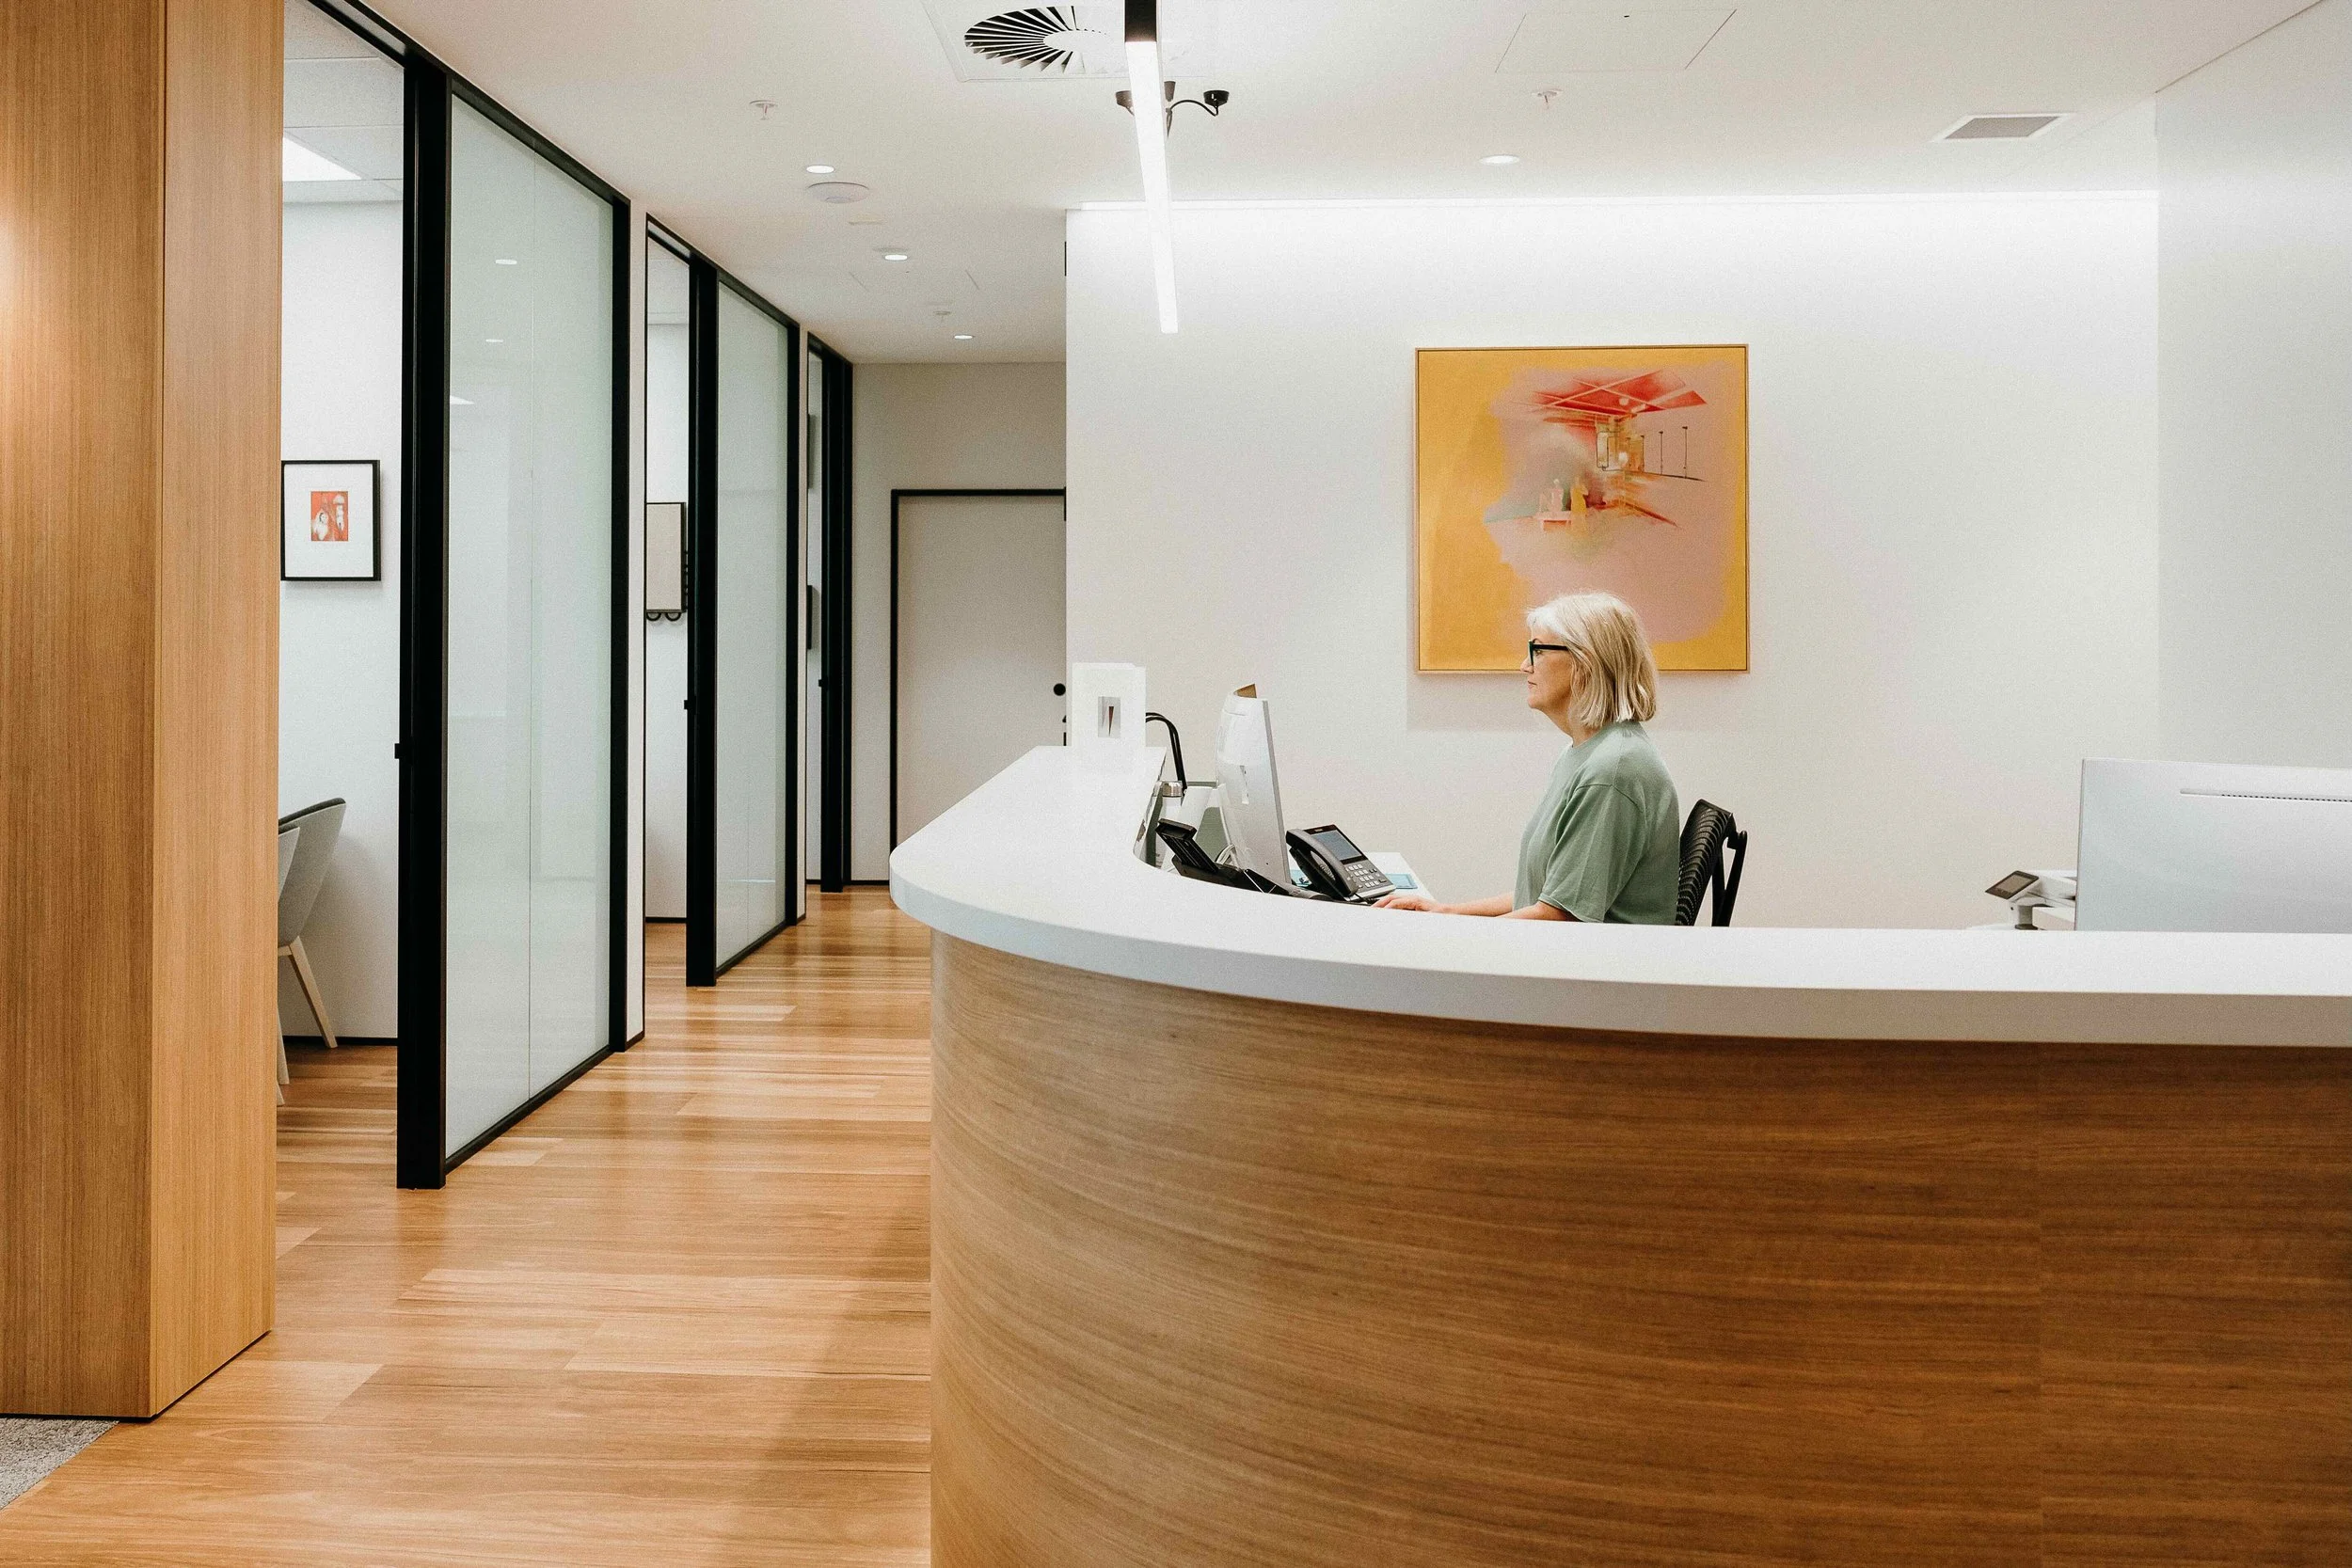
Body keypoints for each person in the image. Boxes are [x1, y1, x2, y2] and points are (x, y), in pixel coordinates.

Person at [1377, 592, 1680, 924]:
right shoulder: (1585, 753)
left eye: (1537, 650)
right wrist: (1447, 912)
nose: (1525, 665)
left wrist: (1445, 937)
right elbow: (1547, 896)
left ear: (1585, 662)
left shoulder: (1610, 772)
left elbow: (1558, 918)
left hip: (1582, 968)